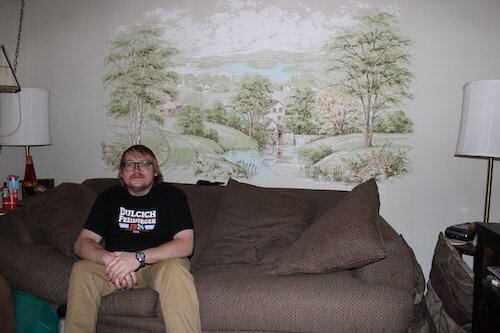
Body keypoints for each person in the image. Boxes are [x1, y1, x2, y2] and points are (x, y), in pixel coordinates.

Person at [64, 145, 201, 333]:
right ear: (122, 172)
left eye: (144, 164)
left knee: (176, 269)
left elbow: (185, 244)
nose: (137, 170)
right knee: (81, 269)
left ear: (155, 172)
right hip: (114, 266)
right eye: (129, 165)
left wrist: (137, 258)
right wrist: (112, 260)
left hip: (159, 265)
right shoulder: (108, 198)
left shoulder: (173, 197)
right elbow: (82, 243)